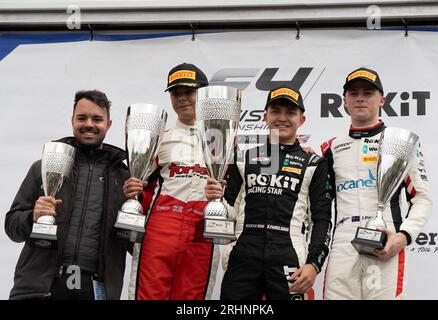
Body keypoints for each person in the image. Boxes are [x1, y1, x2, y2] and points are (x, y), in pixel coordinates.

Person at [205, 85, 332, 300]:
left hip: (288, 252)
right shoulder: (243, 158)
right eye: (276, 111)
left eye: (290, 112)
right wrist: (214, 198)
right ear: (265, 116)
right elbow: (230, 212)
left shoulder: (314, 163)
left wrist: (313, 264)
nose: (282, 118)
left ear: (302, 120)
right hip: (244, 253)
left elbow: (322, 220)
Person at [5, 90, 130, 300]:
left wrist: (140, 213)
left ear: (109, 124)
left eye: (97, 119)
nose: (89, 124)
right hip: (38, 289)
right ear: (72, 120)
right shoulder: (43, 167)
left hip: (96, 291)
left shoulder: (126, 178)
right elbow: (12, 228)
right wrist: (31, 217)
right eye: (82, 118)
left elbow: (135, 246)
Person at [321, 67, 432, 300]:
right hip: (343, 242)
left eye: (368, 92)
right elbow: (319, 202)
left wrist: (403, 237)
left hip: (386, 238)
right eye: (353, 93)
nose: (360, 98)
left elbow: (422, 198)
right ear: (344, 101)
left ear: (382, 99)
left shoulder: (401, 141)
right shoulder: (329, 148)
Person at [125, 63, 219, 300]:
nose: (182, 98)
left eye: (190, 92)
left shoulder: (225, 139)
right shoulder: (159, 140)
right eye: (176, 93)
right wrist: (131, 191)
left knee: (192, 298)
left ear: (204, 94)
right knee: (149, 294)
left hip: (203, 226)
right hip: (163, 223)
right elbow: (140, 185)